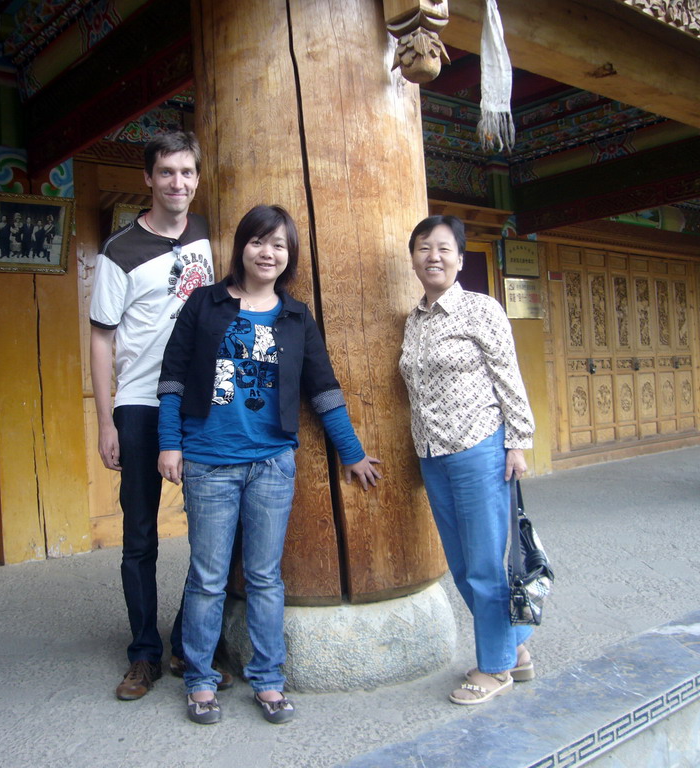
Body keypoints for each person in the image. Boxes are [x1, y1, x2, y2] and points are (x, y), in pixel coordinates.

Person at [157, 204, 382, 726]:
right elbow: (171, 377)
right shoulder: (205, 304)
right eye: (259, 241)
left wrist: (350, 451)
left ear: (290, 256)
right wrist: (171, 444)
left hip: (272, 465)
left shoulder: (296, 317)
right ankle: (200, 679)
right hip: (209, 461)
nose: (268, 252)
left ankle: (269, 679)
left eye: (279, 245)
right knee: (209, 576)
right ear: (241, 246)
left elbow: (323, 390)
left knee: (264, 576)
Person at [89, 131, 222, 703]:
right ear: (148, 179)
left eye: (187, 173)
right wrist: (105, 420)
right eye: (166, 173)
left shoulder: (211, 236)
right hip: (140, 404)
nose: (178, 183)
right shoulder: (118, 252)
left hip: (202, 403)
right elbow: (100, 339)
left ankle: (189, 642)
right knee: (139, 534)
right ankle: (143, 652)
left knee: (213, 533)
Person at [399, 215, 536, 706]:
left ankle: (495, 667)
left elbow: (509, 377)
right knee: (460, 565)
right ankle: (516, 648)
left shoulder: (481, 309)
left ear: (459, 257)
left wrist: (517, 442)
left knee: (483, 564)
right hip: (432, 453)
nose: (432, 257)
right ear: (413, 257)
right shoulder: (413, 318)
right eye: (422, 248)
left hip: (479, 449)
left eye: (443, 248)